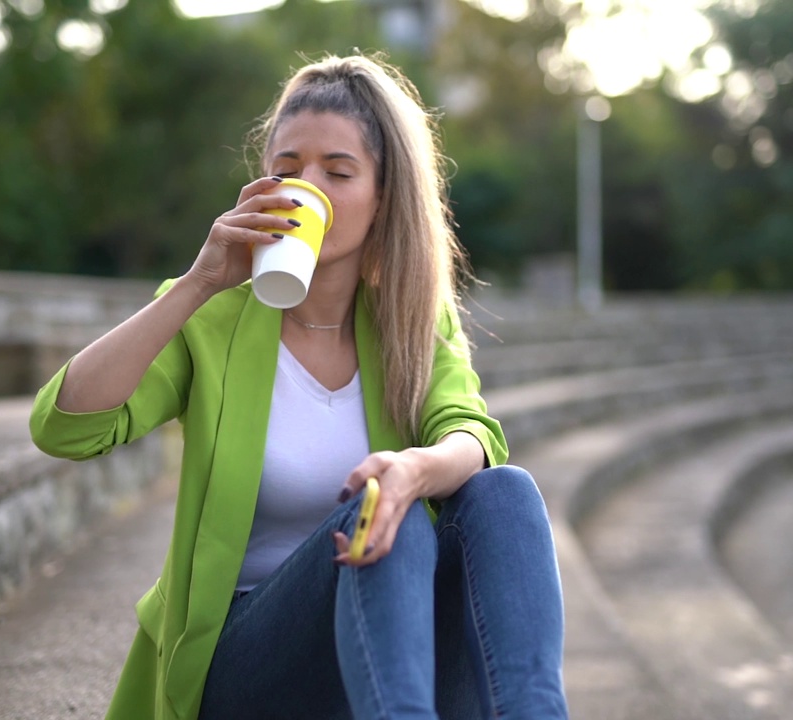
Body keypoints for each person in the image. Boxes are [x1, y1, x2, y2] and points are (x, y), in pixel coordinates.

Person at [29, 53, 568, 720]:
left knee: (499, 490)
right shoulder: (212, 315)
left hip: (390, 642)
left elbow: (472, 432)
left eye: (337, 173)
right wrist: (200, 282)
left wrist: (413, 471)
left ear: (383, 196)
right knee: (377, 515)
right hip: (252, 659)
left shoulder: (411, 319)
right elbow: (65, 427)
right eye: (286, 170)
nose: (303, 187)